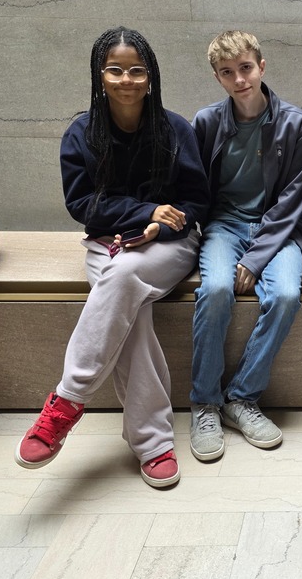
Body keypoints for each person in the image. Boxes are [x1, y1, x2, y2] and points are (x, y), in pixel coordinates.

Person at [15, 27, 209, 488]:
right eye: (116, 70)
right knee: (133, 315)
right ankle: (154, 443)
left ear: (151, 75)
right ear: (100, 76)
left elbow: (198, 200)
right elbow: (81, 207)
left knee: (122, 279)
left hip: (169, 244)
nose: (127, 79)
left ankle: (66, 401)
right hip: (107, 242)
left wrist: (158, 224)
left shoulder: (175, 128)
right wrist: (141, 211)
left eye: (137, 70)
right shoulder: (80, 133)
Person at [189, 31, 302, 460]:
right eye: (227, 73)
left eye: (246, 68)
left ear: (261, 67)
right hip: (224, 226)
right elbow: (195, 189)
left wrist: (259, 254)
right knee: (216, 290)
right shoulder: (207, 122)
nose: (239, 79)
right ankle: (205, 402)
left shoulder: (296, 123)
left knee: (284, 294)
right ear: (217, 78)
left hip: (278, 229)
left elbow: (292, 198)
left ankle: (242, 398)